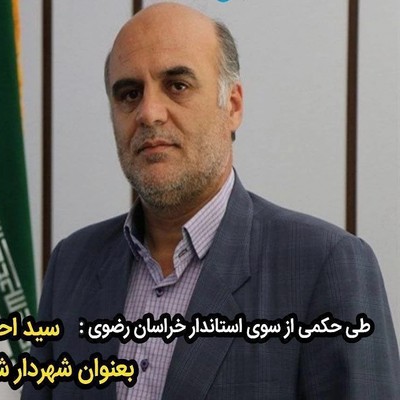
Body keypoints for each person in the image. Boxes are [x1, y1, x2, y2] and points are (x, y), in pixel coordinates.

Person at [22, 3, 400, 399]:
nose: (149, 113)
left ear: (232, 106)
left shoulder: (324, 265)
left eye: (177, 85)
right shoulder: (72, 266)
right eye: (129, 94)